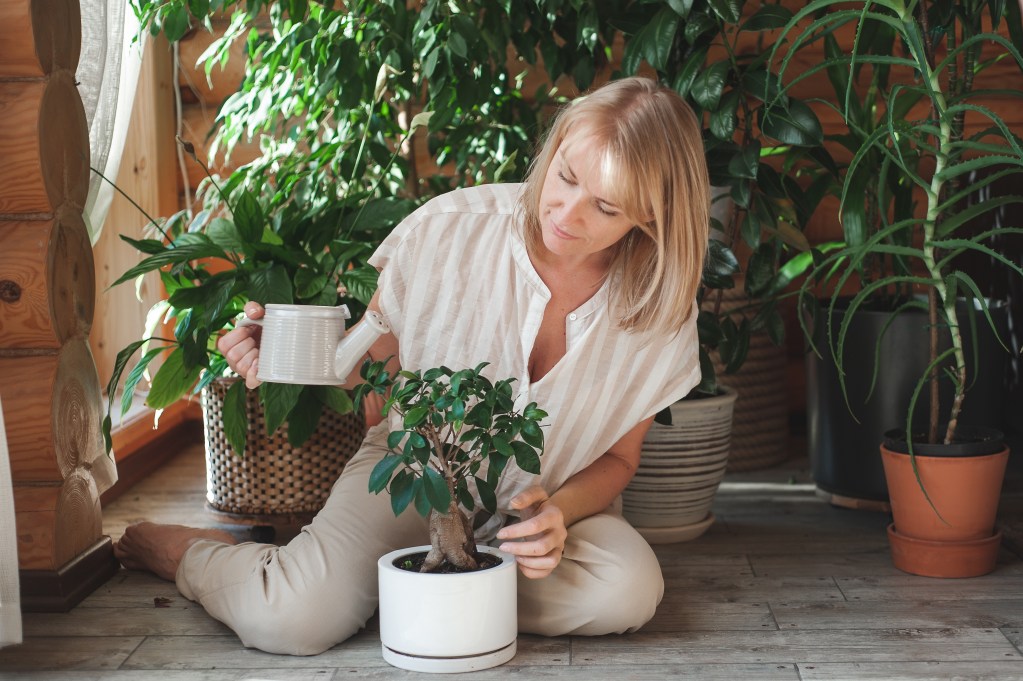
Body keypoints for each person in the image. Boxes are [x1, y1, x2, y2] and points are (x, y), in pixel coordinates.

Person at [114, 75, 710, 655]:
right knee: (292, 618)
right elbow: (363, 364)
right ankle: (197, 554)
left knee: (627, 592)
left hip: (552, 502)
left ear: (649, 219)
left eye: (604, 206)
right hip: (413, 474)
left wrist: (556, 515)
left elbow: (618, 458)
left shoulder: (660, 303)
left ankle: (387, 586)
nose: (567, 213)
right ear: (554, 149)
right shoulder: (450, 230)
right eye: (566, 175)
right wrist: (273, 347)